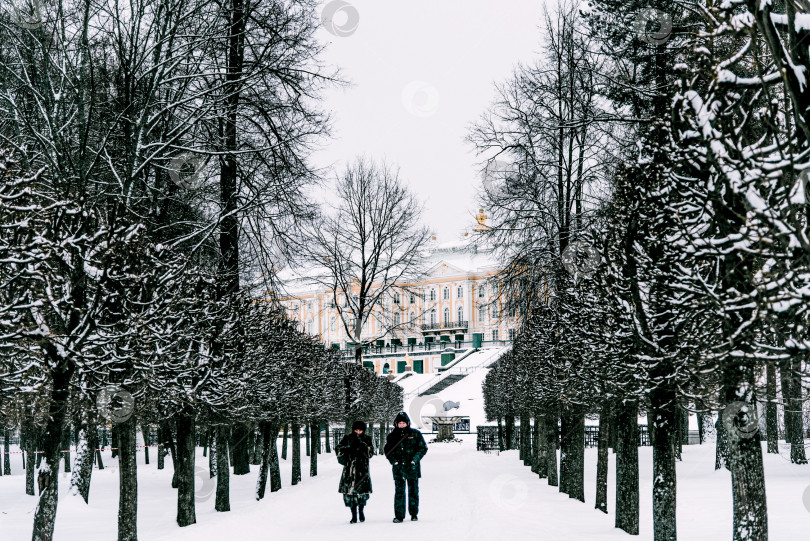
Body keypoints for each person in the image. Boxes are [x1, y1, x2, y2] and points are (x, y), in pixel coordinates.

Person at [383, 411, 428, 523]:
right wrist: (394, 461)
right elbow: (387, 450)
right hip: (398, 468)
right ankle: (399, 516)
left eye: (404, 423)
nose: (402, 425)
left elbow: (423, 448)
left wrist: (415, 460)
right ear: (396, 424)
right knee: (399, 492)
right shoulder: (392, 436)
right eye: (400, 423)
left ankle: (413, 514)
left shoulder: (415, 434)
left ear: (407, 423)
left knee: (413, 491)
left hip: (412, 468)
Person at [336, 420, 374, 524]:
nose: (358, 432)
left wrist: (363, 447)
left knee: (362, 493)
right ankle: (353, 515)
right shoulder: (347, 438)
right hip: (350, 469)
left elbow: (370, 453)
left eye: (360, 430)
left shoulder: (367, 439)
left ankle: (361, 511)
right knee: (351, 493)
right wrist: (349, 449)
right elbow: (338, 449)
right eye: (356, 430)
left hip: (362, 468)